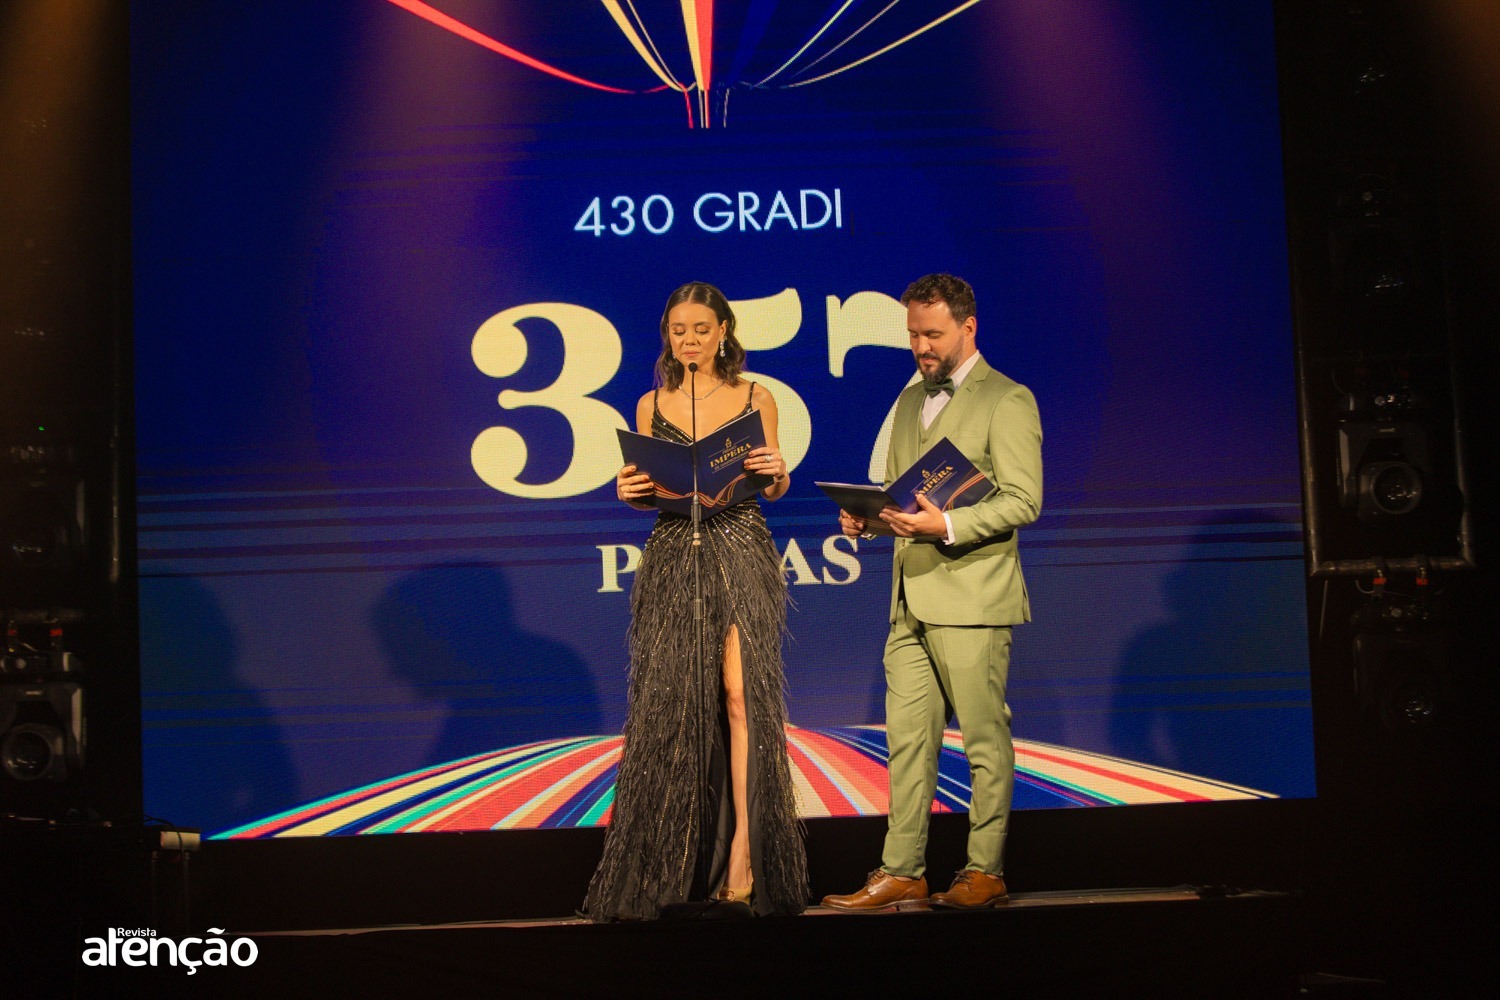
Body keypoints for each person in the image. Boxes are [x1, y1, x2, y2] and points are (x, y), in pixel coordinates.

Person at [583, 281, 808, 920]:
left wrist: (777, 472)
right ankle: (675, 864)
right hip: (675, 552)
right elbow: (647, 494)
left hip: (741, 546)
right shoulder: (650, 402)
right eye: (678, 330)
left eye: (701, 330)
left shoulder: (755, 396)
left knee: (740, 696)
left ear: (724, 332)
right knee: (678, 708)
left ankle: (744, 856)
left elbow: (775, 486)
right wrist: (630, 491)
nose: (689, 340)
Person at [822, 273, 1042, 911]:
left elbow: (1023, 499)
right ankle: (902, 870)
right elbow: (900, 496)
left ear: (968, 327)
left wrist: (946, 525)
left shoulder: (1007, 399)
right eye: (913, 334)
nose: (920, 346)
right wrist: (866, 519)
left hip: (973, 598)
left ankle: (985, 870)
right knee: (907, 743)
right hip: (908, 598)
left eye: (933, 334)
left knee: (983, 740)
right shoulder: (909, 400)